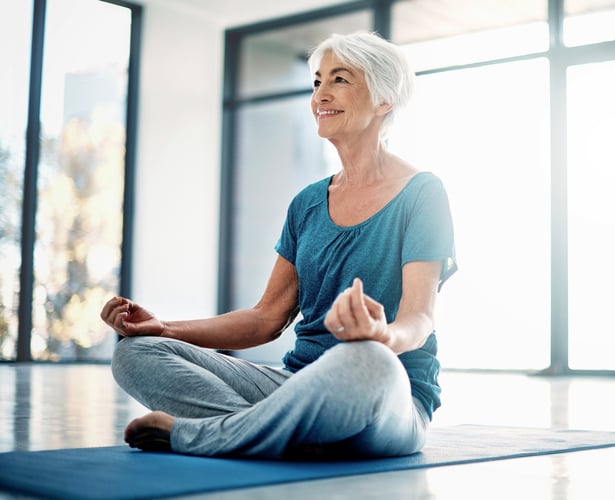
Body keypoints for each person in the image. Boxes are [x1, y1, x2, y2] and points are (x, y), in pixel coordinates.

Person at [100, 31, 457, 459]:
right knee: (134, 353)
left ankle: (206, 436)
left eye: (340, 80)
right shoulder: (306, 203)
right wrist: (163, 329)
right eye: (317, 81)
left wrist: (381, 335)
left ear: (384, 100)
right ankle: (286, 435)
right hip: (294, 386)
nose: (320, 95)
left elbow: (419, 319)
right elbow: (265, 318)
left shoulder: (422, 193)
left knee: (366, 360)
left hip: (384, 393)